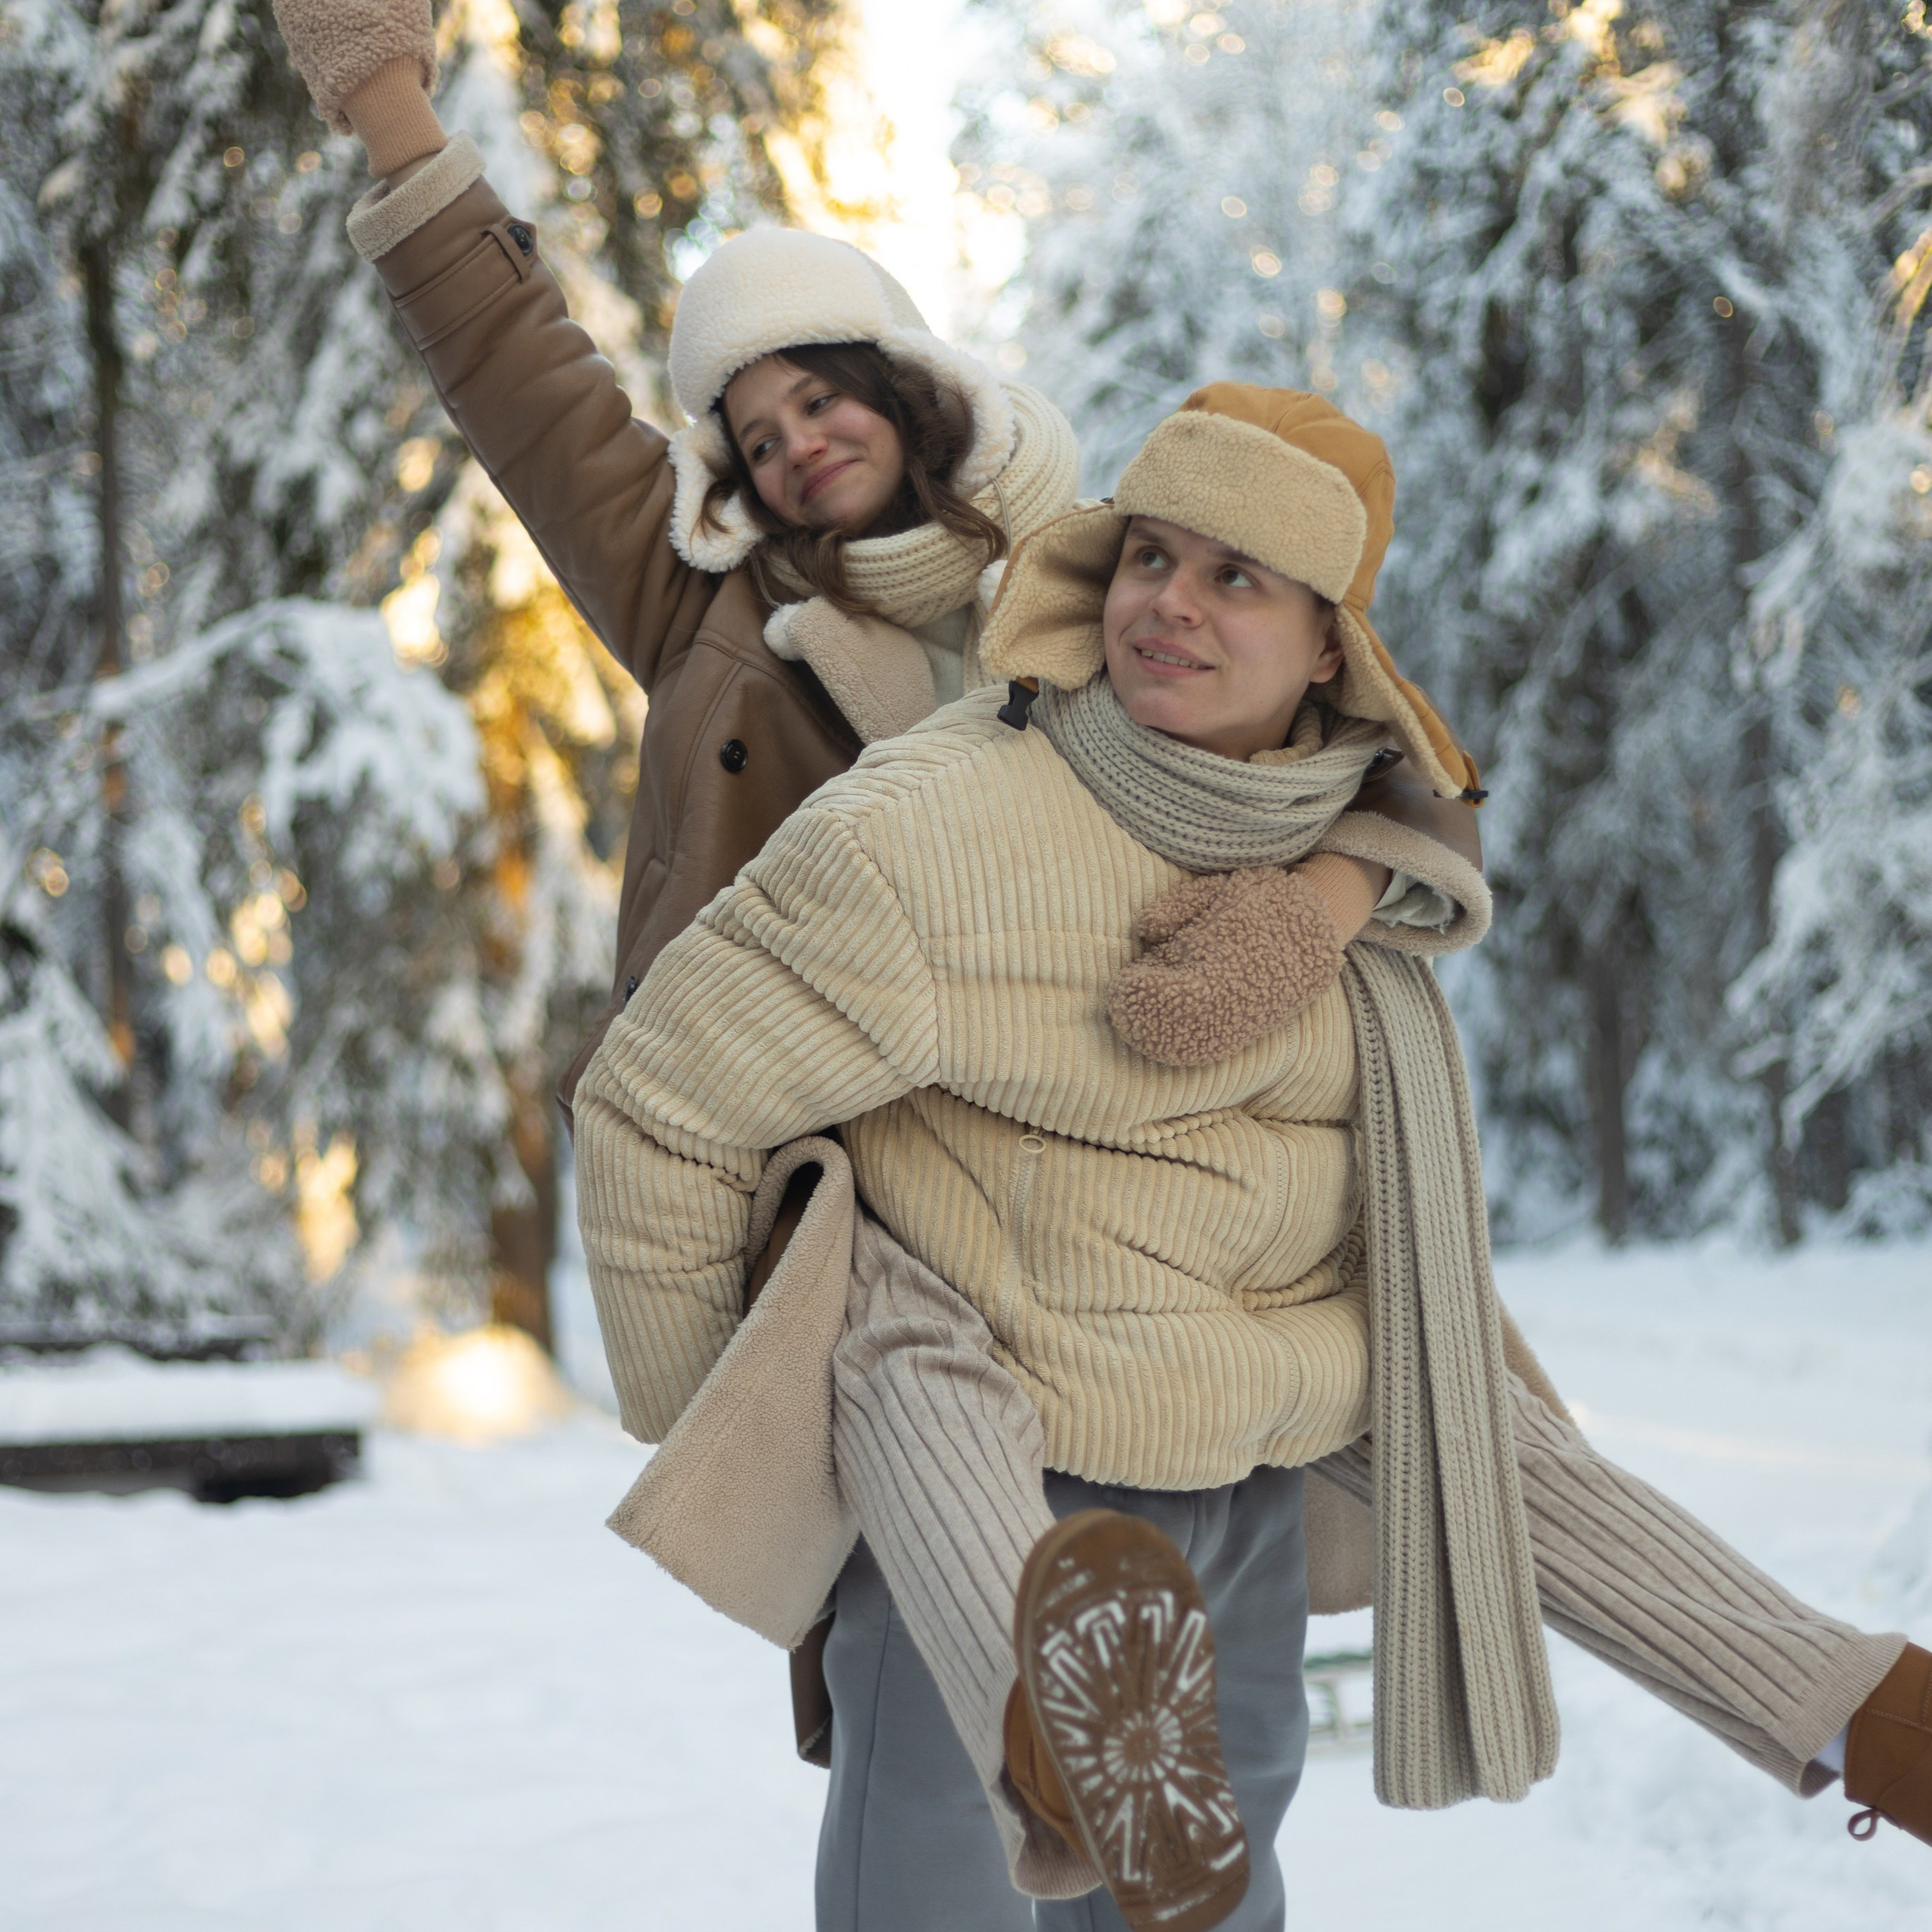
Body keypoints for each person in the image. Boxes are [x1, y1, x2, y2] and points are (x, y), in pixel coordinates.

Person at [571, 386, 1932, 1930]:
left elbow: (1392, 1335)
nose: (1167, 604)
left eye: (1235, 577)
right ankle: (1043, 1698)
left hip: (1239, 1503)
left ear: (1328, 646)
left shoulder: (1348, 895)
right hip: (975, 1475)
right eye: (1149, 555)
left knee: (1428, 1499)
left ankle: (1855, 1706)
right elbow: (658, 1101)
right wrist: (735, 1433)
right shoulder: (927, 832)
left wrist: (1833, 1698)